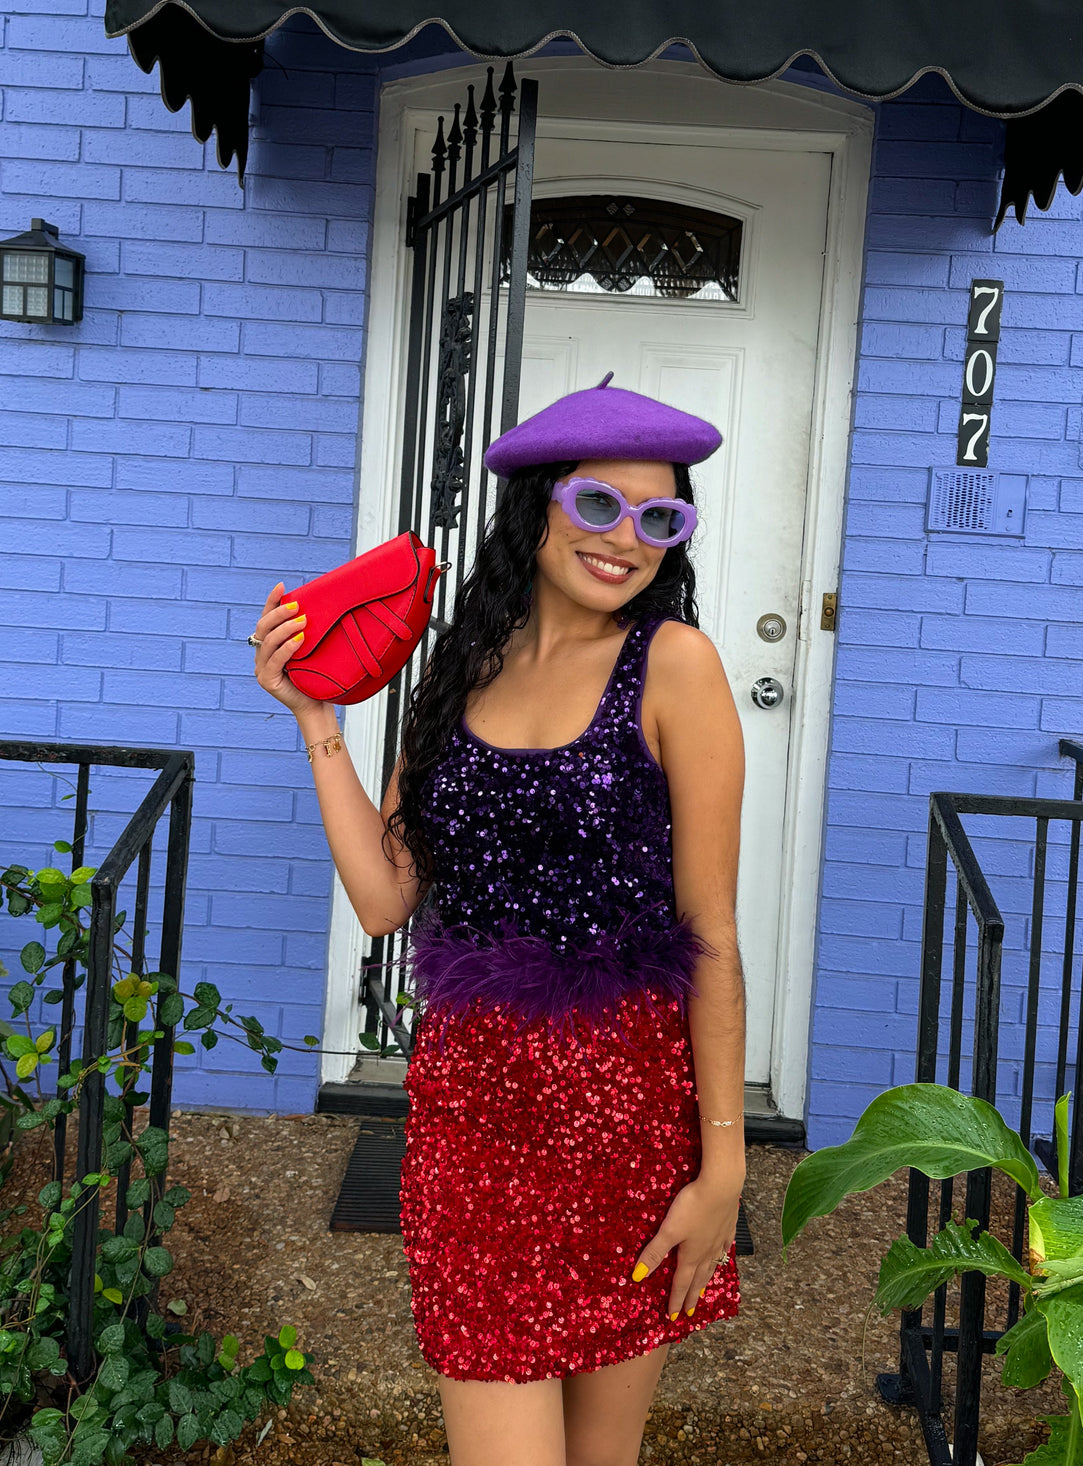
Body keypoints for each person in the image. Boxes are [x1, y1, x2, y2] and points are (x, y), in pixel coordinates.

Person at [251, 376, 747, 1466]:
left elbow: (707, 930)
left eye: (659, 517)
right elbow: (385, 896)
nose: (627, 539)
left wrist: (722, 1168)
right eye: (598, 506)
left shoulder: (673, 666)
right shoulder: (463, 666)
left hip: (626, 1124)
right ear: (537, 507)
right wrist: (318, 722)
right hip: (474, 1124)